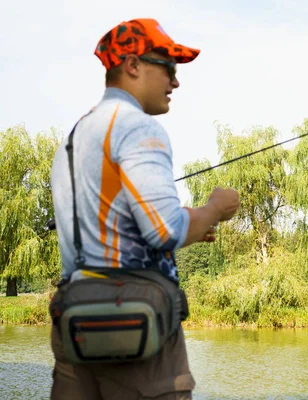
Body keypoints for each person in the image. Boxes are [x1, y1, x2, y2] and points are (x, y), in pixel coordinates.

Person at [49, 18, 240, 399]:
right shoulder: (138, 127)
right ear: (133, 65)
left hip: (75, 322)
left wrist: (193, 224)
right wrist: (216, 208)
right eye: (168, 67)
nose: (176, 81)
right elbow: (164, 230)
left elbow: (115, 238)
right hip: (134, 321)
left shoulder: (74, 138)